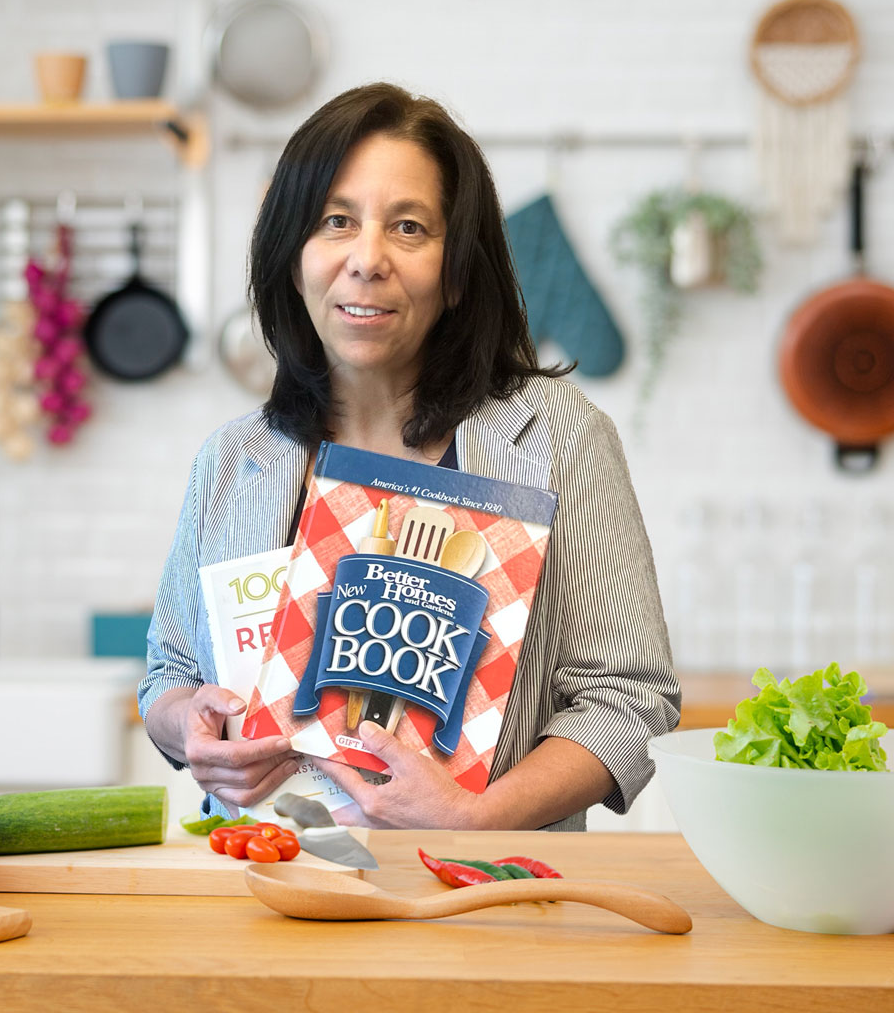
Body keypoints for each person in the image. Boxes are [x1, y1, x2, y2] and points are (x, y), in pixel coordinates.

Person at [138, 82, 680, 831]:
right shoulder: (233, 459)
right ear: (291, 256)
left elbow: (628, 699)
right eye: (336, 221)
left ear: (457, 270)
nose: (367, 260)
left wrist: (476, 815)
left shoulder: (559, 437)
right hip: (267, 897)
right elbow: (168, 677)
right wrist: (190, 725)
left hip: (484, 906)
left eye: (410, 228)